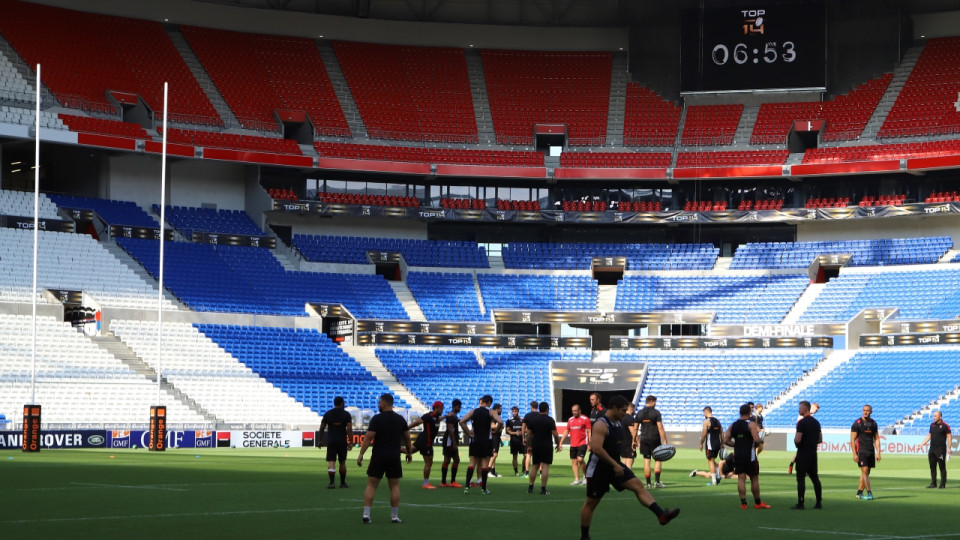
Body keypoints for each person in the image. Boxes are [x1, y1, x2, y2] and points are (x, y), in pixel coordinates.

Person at [579, 394, 679, 540]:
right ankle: (584, 537)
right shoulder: (601, 424)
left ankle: (661, 515)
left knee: (638, 485)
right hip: (598, 468)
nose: (625, 413)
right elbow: (597, 449)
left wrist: (631, 447)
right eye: (623, 410)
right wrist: (614, 464)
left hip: (614, 465)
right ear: (614, 408)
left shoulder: (618, 423)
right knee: (591, 503)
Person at [357, 393, 413, 524]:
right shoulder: (400, 419)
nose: (378, 405)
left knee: (371, 485)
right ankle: (394, 516)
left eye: (379, 403)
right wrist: (409, 453)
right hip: (394, 456)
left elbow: (368, 437)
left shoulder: (377, 419)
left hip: (378, 455)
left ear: (383, 404)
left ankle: (366, 514)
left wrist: (361, 454)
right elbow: (407, 439)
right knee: (394, 486)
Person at [724, 403, 769, 509]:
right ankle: (758, 503)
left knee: (741, 478)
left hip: (738, 454)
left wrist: (736, 444)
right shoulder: (751, 424)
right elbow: (757, 439)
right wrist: (757, 443)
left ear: (740, 412)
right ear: (749, 412)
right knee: (754, 478)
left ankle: (743, 503)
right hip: (750, 455)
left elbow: (725, 440)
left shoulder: (733, 425)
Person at [460, 394, 503, 494]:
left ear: (482, 401)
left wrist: (468, 433)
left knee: (472, 463)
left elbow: (462, 421)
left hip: (474, 440)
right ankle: (483, 489)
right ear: (489, 402)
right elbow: (500, 422)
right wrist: (495, 432)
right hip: (486, 441)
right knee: (484, 464)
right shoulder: (490, 411)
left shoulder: (473, 411)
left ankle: (466, 487)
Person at [792, 400, 823, 509]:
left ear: (805, 409)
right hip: (813, 454)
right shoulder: (816, 423)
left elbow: (797, 439)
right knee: (815, 478)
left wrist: (797, 443)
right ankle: (818, 502)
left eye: (800, 408)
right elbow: (820, 439)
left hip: (803, 453)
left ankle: (801, 502)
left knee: (801, 478)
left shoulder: (801, 423)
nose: (798, 410)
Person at [526, 401, 562, 495]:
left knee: (535, 466)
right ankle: (543, 489)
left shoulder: (533, 420)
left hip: (536, 445)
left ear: (539, 409)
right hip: (546, 445)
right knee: (545, 466)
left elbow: (528, 434)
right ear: (547, 409)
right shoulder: (550, 420)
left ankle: (530, 487)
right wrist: (558, 444)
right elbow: (555, 434)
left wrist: (529, 445)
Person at [318, 396, 353, 489]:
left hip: (331, 441)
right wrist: (351, 442)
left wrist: (320, 440)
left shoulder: (328, 414)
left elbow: (322, 427)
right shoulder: (346, 414)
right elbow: (349, 429)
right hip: (342, 441)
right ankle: (342, 482)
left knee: (331, 461)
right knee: (342, 462)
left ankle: (332, 483)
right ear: (342, 403)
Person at [408, 400, 444, 489]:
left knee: (408, 451)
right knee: (429, 462)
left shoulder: (436, 417)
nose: (442, 410)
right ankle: (425, 484)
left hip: (423, 440)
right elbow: (417, 422)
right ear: (436, 408)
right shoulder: (428, 416)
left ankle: (392, 449)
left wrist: (447, 416)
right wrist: (406, 428)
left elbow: (438, 419)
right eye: (441, 409)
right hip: (426, 442)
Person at [636, 395, 669, 488]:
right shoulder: (656, 412)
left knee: (646, 461)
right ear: (652, 401)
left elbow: (635, 428)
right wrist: (665, 440)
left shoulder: (639, 413)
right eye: (655, 402)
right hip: (654, 439)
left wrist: (635, 440)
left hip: (644, 439)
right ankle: (657, 482)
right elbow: (660, 427)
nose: (655, 404)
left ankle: (648, 484)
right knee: (658, 459)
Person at [850, 404, 881, 500]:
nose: (865, 412)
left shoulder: (874, 424)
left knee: (865, 473)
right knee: (865, 472)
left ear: (871, 411)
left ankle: (859, 493)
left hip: (870, 451)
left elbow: (876, 438)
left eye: (867, 410)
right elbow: (852, 440)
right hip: (861, 451)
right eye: (864, 410)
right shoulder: (857, 423)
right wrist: (855, 453)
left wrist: (878, 452)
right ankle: (869, 493)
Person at [560, 404, 591, 485]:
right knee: (574, 462)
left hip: (583, 442)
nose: (574, 412)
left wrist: (590, 444)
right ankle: (577, 479)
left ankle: (585, 476)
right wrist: (561, 442)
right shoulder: (570, 420)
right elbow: (566, 431)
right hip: (573, 444)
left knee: (580, 459)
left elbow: (589, 432)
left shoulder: (585, 419)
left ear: (580, 410)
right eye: (573, 411)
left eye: (575, 411)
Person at [920, 410, 951, 489]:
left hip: (940, 449)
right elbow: (929, 435)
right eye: (933, 416)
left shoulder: (945, 426)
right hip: (932, 449)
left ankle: (942, 484)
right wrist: (922, 443)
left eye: (935, 416)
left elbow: (949, 436)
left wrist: (949, 448)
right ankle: (934, 483)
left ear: (940, 416)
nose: (934, 417)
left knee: (942, 467)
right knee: (932, 466)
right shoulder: (932, 425)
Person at [789, 402, 819, 474]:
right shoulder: (802, 415)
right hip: (801, 435)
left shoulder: (811, 416)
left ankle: (793, 465)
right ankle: (794, 466)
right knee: (801, 453)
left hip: (806, 435)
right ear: (811, 407)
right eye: (815, 409)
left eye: (816, 410)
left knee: (803, 452)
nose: (815, 411)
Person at [698, 406, 723, 485]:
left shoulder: (706, 421)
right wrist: (722, 443)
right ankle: (718, 475)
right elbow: (722, 433)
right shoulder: (718, 421)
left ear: (705, 412)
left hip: (710, 444)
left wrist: (701, 443)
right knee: (713, 459)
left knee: (710, 461)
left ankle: (714, 481)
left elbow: (704, 434)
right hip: (717, 443)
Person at [440, 399, 462, 488]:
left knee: (448, 460)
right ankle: (452, 481)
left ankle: (444, 482)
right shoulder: (452, 416)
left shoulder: (453, 416)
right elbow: (450, 429)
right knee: (455, 460)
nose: (460, 409)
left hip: (449, 441)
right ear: (456, 406)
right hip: (450, 442)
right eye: (459, 407)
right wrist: (454, 443)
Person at [521, 400, 539, 478]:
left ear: (531, 407)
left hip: (529, 437)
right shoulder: (540, 415)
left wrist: (523, 437)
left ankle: (527, 473)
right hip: (538, 437)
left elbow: (523, 428)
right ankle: (541, 473)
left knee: (528, 454)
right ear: (537, 407)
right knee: (539, 455)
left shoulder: (527, 416)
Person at [505, 406, 526, 476]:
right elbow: (507, 431)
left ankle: (524, 469)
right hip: (514, 440)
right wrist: (515, 433)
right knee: (515, 456)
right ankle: (516, 471)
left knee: (526, 455)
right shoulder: (509, 420)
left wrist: (521, 432)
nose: (514, 413)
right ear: (511, 412)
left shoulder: (522, 420)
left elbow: (526, 429)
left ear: (518, 411)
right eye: (513, 411)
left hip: (522, 440)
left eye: (515, 411)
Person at [488, 403, 504, 477]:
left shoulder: (496, 416)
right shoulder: (494, 417)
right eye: (500, 409)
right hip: (493, 438)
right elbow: (492, 425)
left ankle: (492, 471)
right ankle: (488, 471)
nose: (501, 410)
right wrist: (500, 425)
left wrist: (500, 440)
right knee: (494, 454)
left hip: (496, 437)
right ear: (497, 409)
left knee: (493, 454)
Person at [620, 402, 638, 470]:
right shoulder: (630, 418)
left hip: (621, 442)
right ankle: (627, 478)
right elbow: (633, 431)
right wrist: (637, 442)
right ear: (632, 409)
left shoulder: (621, 418)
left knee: (624, 460)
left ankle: (621, 478)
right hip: (629, 443)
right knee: (629, 461)